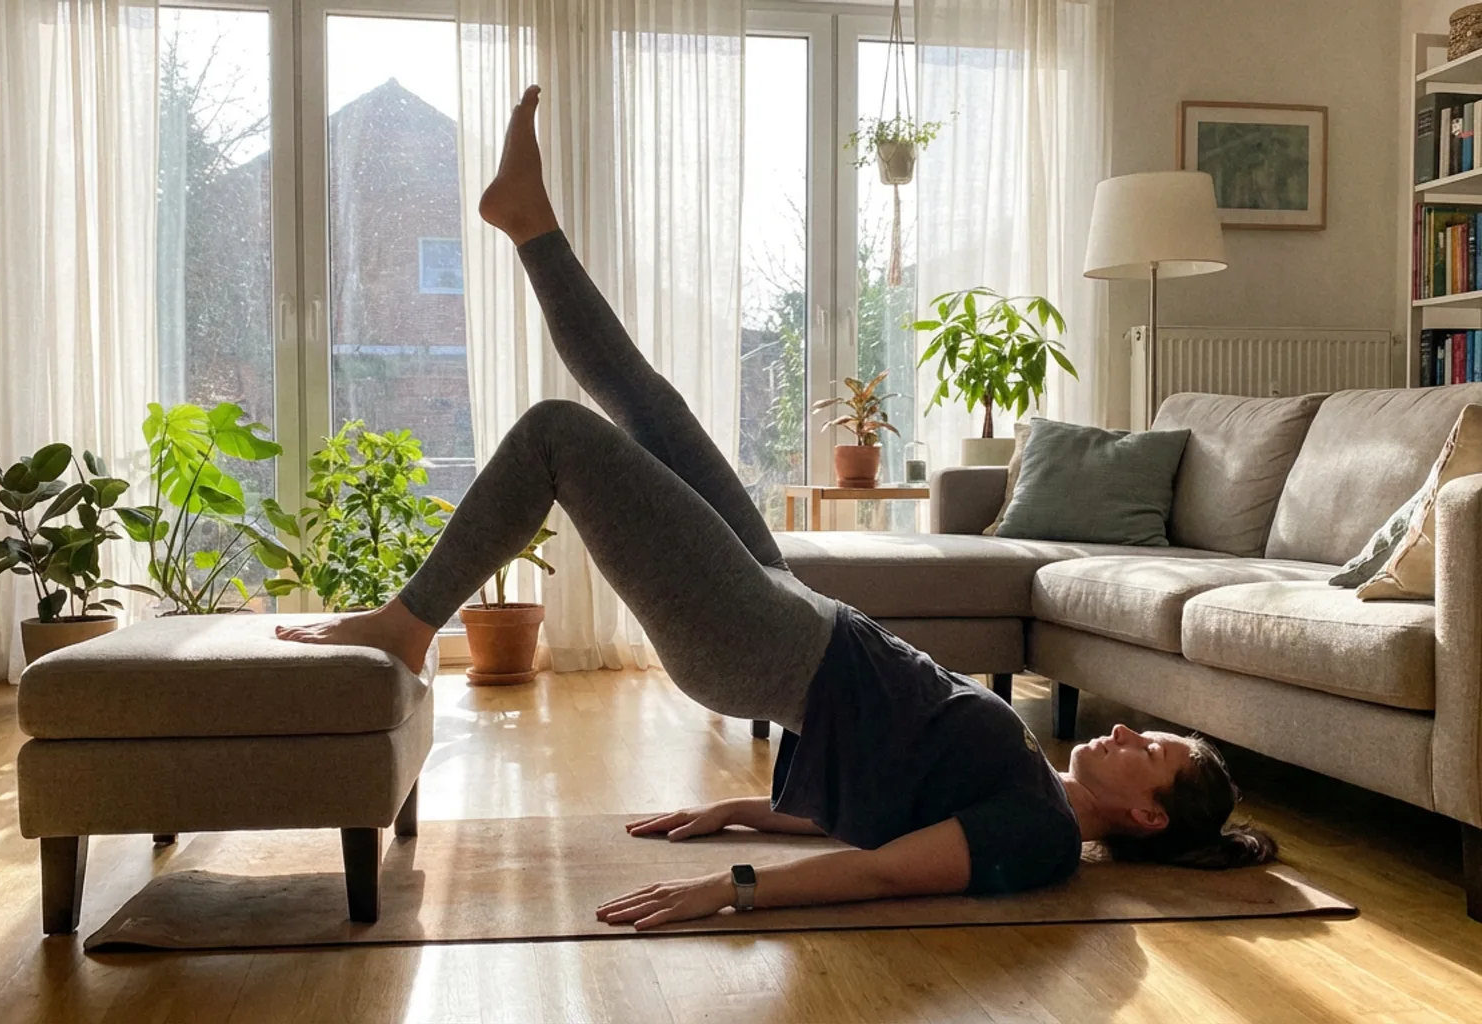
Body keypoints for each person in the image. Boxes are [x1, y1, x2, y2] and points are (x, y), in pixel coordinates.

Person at [277, 85, 1277, 930]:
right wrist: (745, 811)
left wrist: (733, 888)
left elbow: (887, 873)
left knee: (557, 435)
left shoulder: (1042, 836)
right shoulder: (1033, 780)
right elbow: (885, 802)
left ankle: (410, 625)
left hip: (769, 643)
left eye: (1154, 753)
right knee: (651, 406)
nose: (1134, 733)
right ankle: (529, 221)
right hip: (796, 616)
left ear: (1147, 818)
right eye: (1154, 734)